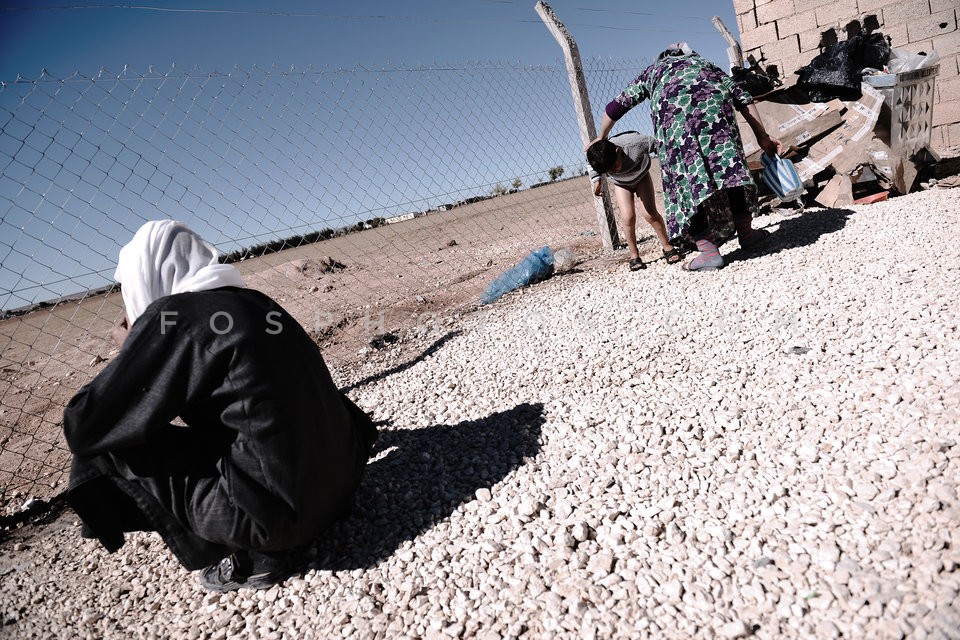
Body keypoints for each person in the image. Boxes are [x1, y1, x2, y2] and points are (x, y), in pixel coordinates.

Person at [62, 220, 377, 592]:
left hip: (278, 518)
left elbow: (85, 426)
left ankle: (249, 553)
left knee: (105, 439)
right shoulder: (257, 303)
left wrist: (130, 351)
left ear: (142, 276)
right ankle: (304, 507)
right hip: (346, 478)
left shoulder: (176, 317)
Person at [587, 43, 783, 271]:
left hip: (677, 128)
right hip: (714, 117)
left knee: (687, 184)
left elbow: (615, 106)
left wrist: (601, 136)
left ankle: (710, 254)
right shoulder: (705, 64)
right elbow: (742, 96)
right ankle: (747, 234)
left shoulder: (653, 71)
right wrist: (763, 137)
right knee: (729, 170)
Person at [586, 131, 689, 271]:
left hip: (642, 178)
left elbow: (658, 145)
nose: (614, 171)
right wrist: (596, 180)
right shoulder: (600, 156)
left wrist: (670, 166)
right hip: (622, 184)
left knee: (650, 214)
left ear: (618, 151)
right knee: (627, 217)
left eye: (615, 167)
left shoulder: (635, 143)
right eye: (609, 172)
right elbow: (591, 164)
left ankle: (667, 247)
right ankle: (634, 256)